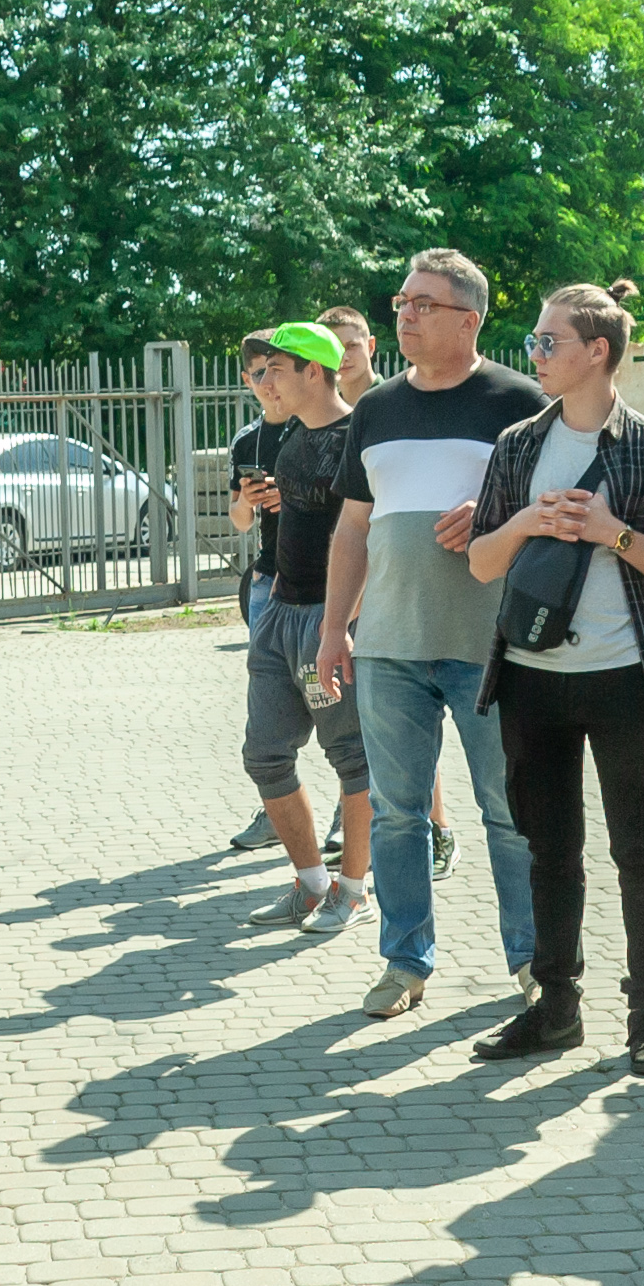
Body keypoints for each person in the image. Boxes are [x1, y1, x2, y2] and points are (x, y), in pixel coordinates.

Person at [462, 283, 644, 1071]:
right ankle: (555, 1009)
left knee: (642, 853)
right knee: (549, 851)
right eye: (534, 342)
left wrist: (616, 535)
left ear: (597, 351)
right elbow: (480, 563)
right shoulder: (517, 447)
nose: (535, 354)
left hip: (624, 677)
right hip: (531, 677)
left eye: (549, 342)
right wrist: (526, 521)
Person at [318, 250, 546, 1018]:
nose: (406, 315)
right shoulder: (377, 408)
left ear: (469, 319)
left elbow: (555, 506)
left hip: (493, 646)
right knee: (397, 814)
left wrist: (497, 513)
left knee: (511, 812)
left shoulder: (519, 401)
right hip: (389, 646)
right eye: (402, 303)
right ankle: (404, 964)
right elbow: (354, 526)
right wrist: (334, 628)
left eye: (425, 304)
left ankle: (535, 962)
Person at [234, 323, 371, 933]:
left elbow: (367, 537)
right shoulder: (289, 438)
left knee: (353, 759)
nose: (265, 382)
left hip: (327, 621)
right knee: (264, 755)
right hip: (279, 616)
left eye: (276, 370)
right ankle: (313, 884)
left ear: (313, 371)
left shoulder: (356, 439)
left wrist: (342, 624)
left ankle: (354, 891)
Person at [319, 302, 461, 877]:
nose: (342, 357)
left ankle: (438, 828)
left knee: (410, 737)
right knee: (369, 736)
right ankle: (356, 821)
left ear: (370, 346)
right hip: (360, 593)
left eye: (350, 345)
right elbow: (351, 521)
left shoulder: (391, 402)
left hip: (413, 599)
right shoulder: (327, 411)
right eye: (331, 347)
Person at [224, 339, 297, 850]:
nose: (267, 383)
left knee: (341, 708)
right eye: (256, 374)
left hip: (323, 583)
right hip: (268, 582)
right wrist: (248, 502)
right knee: (268, 706)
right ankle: (276, 810)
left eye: (274, 370)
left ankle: (348, 813)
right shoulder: (247, 441)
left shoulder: (314, 425)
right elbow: (239, 519)